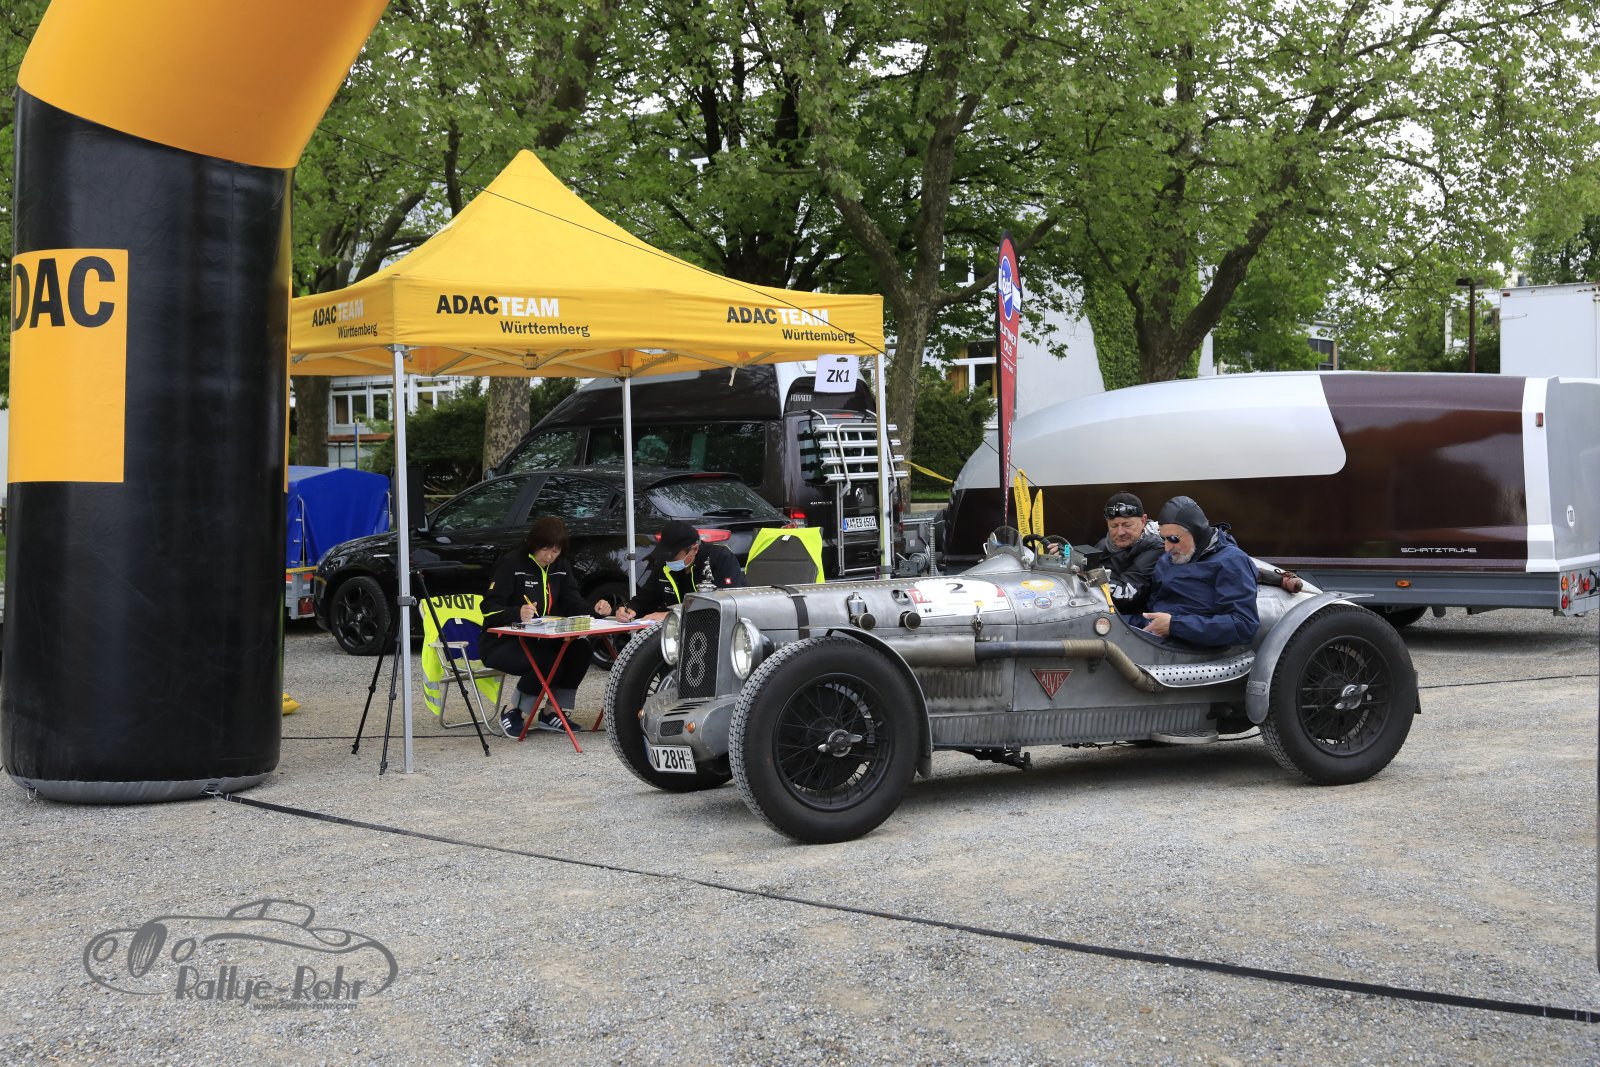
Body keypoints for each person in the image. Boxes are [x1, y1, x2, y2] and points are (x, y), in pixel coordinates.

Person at [478, 516, 613, 736]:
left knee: (580, 650)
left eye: (555, 551)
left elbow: (572, 602)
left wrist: (595, 609)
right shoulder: (512, 563)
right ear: (534, 544)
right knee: (547, 661)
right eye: (545, 550)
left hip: (542, 639)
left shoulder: (561, 566)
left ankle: (552, 712)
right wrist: (517, 613)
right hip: (502, 642)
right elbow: (488, 609)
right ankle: (513, 711)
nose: (549, 556)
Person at [1134, 496, 1260, 648]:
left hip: (1193, 649)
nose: (1167, 547)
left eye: (1173, 539)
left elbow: (1244, 625)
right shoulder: (1167, 559)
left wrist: (1174, 625)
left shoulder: (1232, 562)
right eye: (1163, 538)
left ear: (1196, 532)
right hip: (1152, 636)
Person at [615, 519, 746, 623]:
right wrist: (630, 610)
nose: (668, 560)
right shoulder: (664, 564)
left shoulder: (721, 559)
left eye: (673, 556)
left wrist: (672, 616)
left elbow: (728, 605)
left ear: (694, 549)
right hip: (677, 634)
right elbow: (646, 598)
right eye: (665, 555)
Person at [1092, 491, 1166, 612]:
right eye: (1114, 526)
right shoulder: (1104, 543)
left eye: (1127, 525)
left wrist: (1090, 577)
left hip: (1134, 618)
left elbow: (1126, 593)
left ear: (1143, 521)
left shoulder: (1156, 548)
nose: (1120, 532)